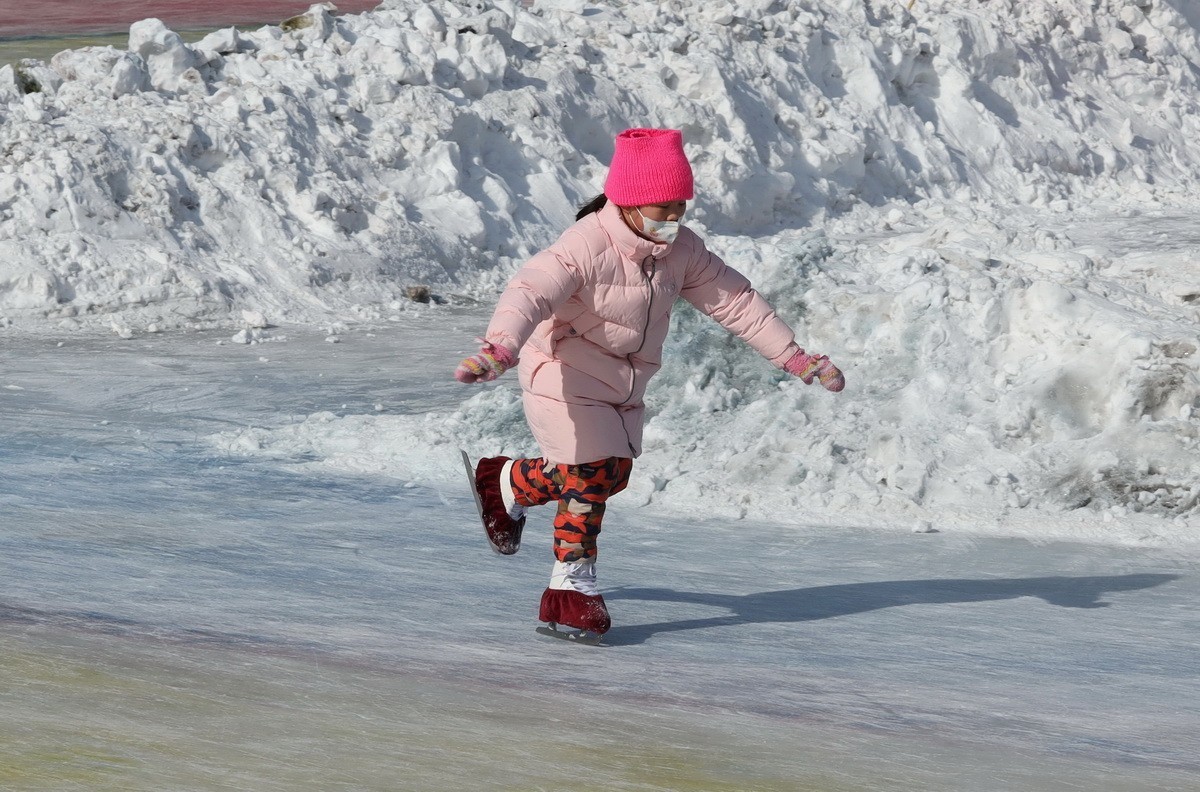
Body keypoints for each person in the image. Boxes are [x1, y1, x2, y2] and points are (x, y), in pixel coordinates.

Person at [454, 128, 845, 639]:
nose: (674, 217)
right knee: (591, 474)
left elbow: (736, 302)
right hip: (562, 372)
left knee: (611, 473)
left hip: (622, 381)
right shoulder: (585, 245)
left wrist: (794, 357)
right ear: (630, 201)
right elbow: (530, 292)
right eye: (664, 206)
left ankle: (506, 482)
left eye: (681, 205)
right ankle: (570, 590)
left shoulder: (682, 250)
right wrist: (500, 348)